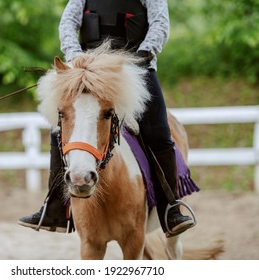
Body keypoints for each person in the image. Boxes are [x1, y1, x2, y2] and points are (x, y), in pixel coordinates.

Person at [19, 0, 197, 237]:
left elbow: (159, 23)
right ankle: (55, 209)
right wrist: (76, 57)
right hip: (89, 71)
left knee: (159, 133)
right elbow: (68, 22)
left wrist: (143, 54)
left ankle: (170, 208)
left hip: (133, 68)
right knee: (59, 126)